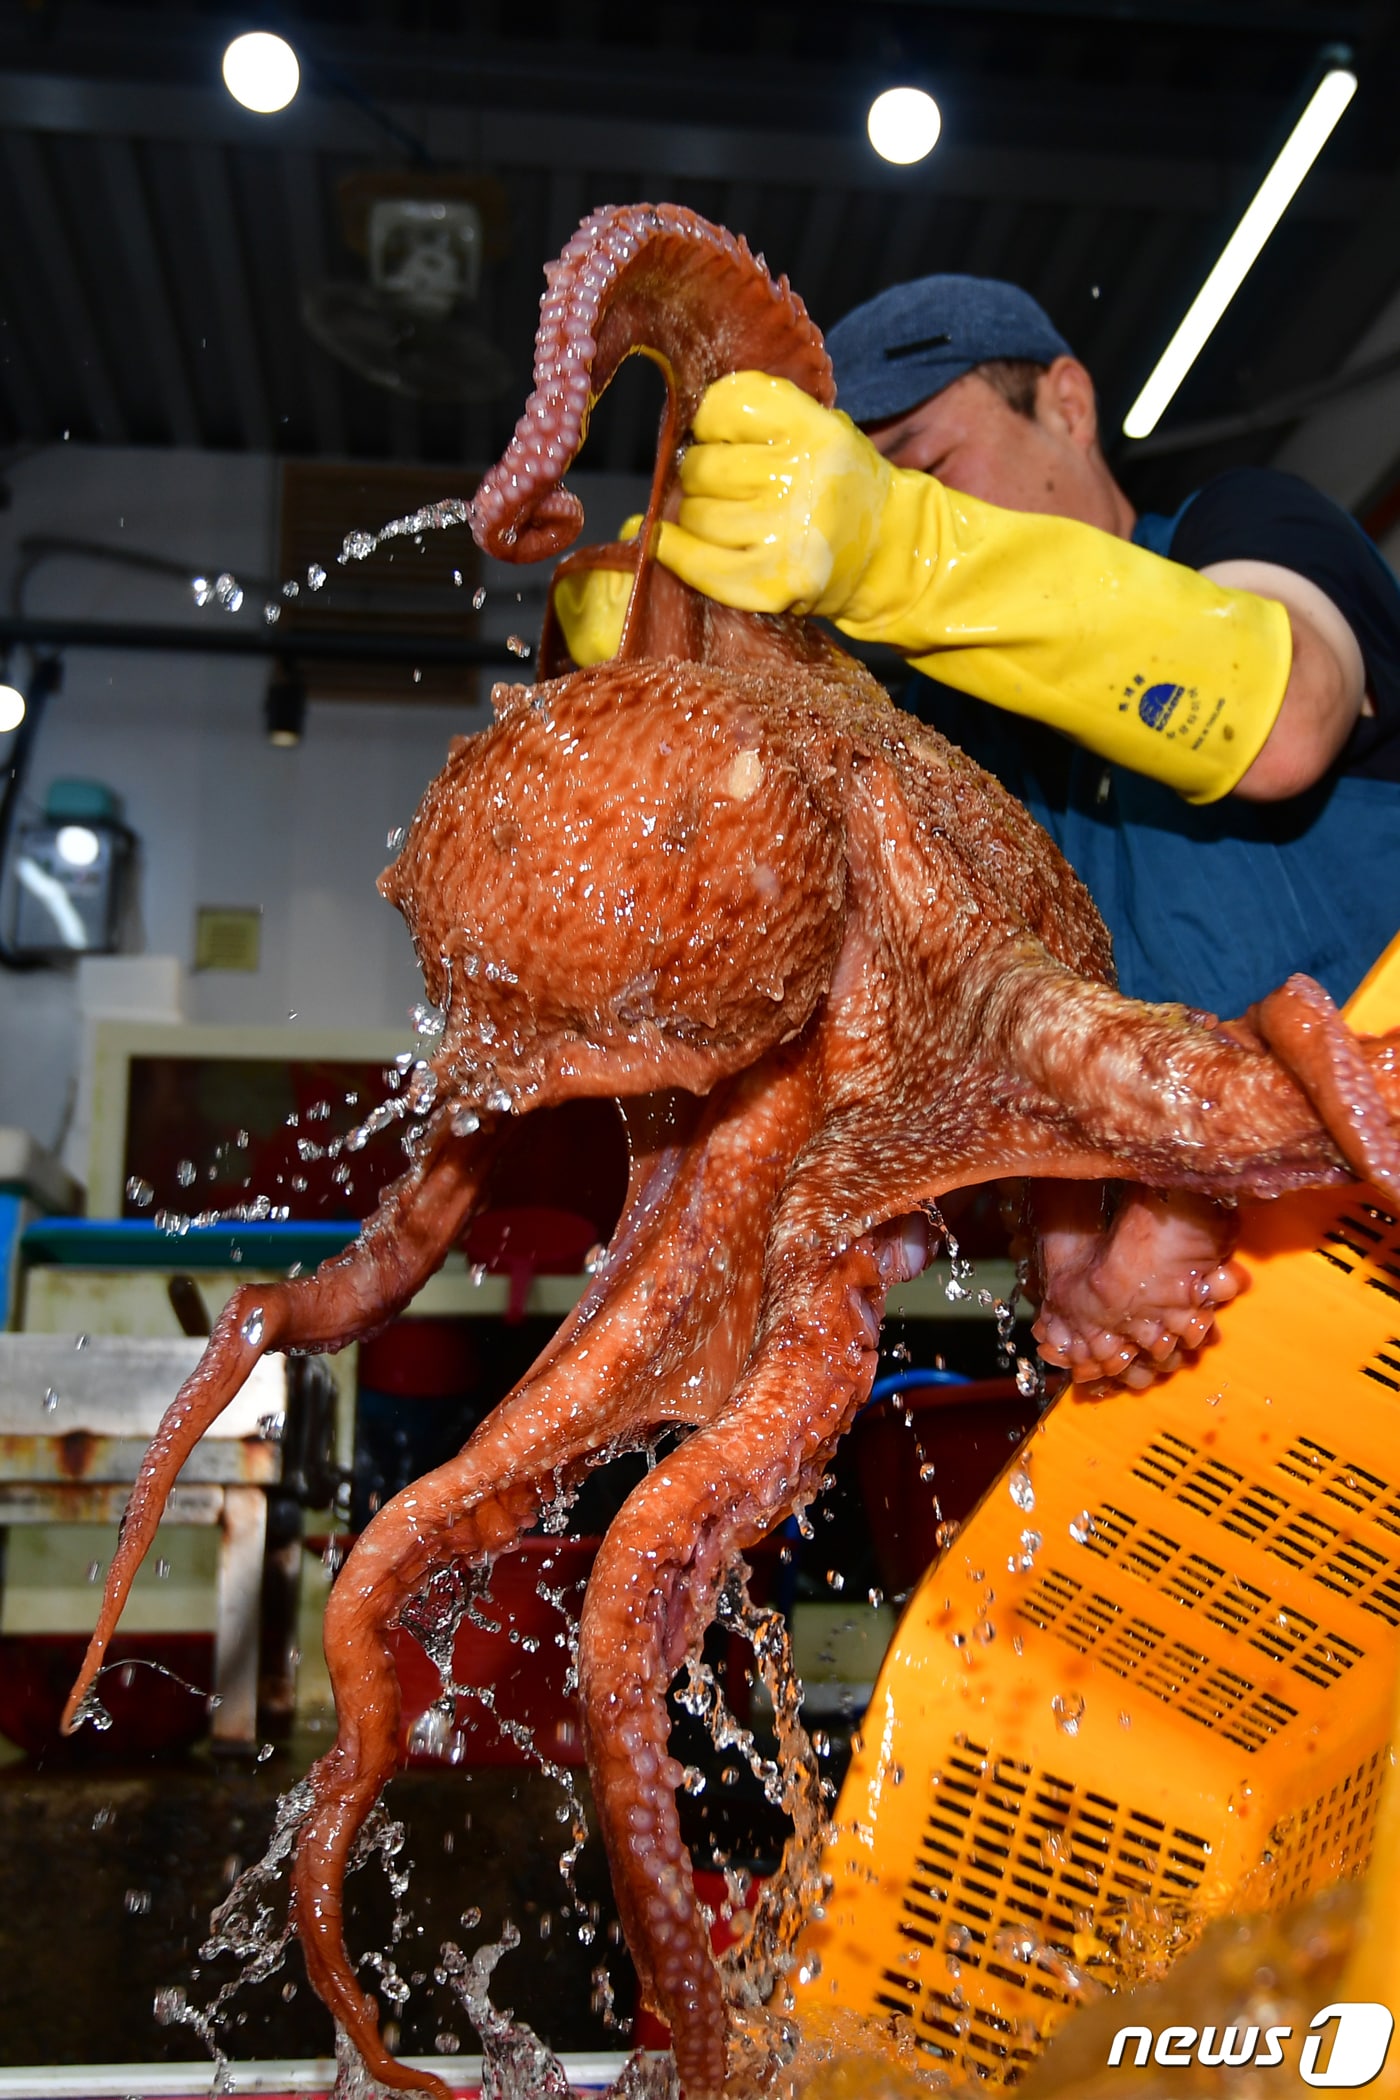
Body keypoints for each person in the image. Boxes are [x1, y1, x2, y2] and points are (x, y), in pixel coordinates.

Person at [559, 275, 1400, 1023]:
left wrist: (905, 547)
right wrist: (676, 692)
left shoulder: (1243, 527)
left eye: (922, 467)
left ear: (1067, 405)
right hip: (1165, 1190)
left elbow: (1287, 718)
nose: (885, 498)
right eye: (853, 482)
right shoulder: (948, 733)